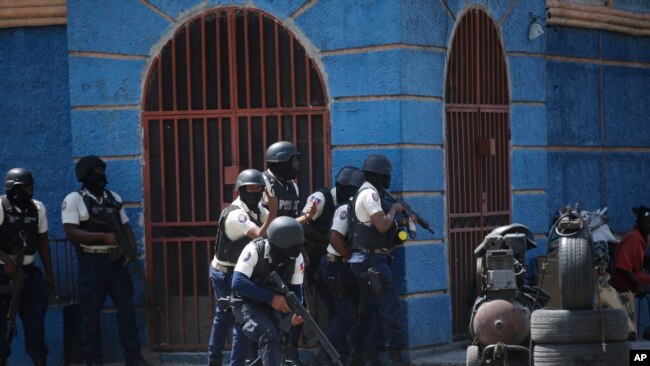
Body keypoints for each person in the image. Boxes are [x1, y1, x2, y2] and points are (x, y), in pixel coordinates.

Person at [61, 155, 147, 366]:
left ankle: (133, 358)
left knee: (127, 311)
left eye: (102, 170)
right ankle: (93, 360)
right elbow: (71, 232)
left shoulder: (113, 197)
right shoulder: (74, 199)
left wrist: (131, 250)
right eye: (96, 171)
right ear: (84, 175)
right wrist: (102, 237)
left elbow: (125, 226)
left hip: (116, 262)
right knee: (89, 316)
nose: (101, 175)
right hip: (92, 262)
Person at [208, 169, 278, 366]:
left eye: (258, 188)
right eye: (250, 188)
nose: (255, 191)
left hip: (240, 273)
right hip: (224, 273)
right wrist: (273, 210)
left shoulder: (258, 210)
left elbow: (274, 229)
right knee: (227, 317)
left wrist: (304, 219)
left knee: (240, 319)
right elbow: (259, 234)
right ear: (241, 190)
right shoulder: (235, 215)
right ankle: (214, 361)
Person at [348, 154, 406, 366]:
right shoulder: (370, 195)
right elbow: (382, 225)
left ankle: (369, 357)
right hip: (372, 262)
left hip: (365, 259)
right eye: (387, 175)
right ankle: (395, 358)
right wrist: (394, 209)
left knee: (373, 310)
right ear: (381, 175)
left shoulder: (362, 193)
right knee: (390, 309)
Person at [263, 141, 315, 365]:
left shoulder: (292, 186)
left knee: (296, 305)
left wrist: (302, 249)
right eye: (294, 160)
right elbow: (269, 224)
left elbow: (293, 228)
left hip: (291, 257)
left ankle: (291, 353)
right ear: (282, 162)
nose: (297, 165)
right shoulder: (264, 183)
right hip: (268, 257)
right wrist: (304, 218)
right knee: (268, 309)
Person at [230, 217, 306, 366]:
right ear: (281, 244)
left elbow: (297, 291)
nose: (296, 251)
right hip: (245, 302)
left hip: (270, 305)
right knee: (269, 336)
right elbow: (237, 282)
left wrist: (297, 310)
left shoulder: (296, 258)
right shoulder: (254, 250)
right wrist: (271, 298)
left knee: (278, 340)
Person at [311, 166, 365, 366]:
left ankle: (339, 355)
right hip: (334, 268)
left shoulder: (352, 205)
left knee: (342, 314)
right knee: (345, 313)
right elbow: (334, 237)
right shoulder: (336, 204)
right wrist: (352, 257)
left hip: (339, 268)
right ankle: (325, 356)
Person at [0, 168, 52, 366]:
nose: (30, 190)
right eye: (26, 187)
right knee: (2, 326)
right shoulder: (0, 206)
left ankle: (39, 359)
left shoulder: (37, 208)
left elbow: (43, 242)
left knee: (35, 323)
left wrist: (49, 275)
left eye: (31, 186)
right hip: (3, 273)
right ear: (14, 187)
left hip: (29, 271)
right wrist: (7, 261)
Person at [611, 205, 650, 338]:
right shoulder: (633, 237)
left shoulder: (644, 237)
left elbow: (638, 259)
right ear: (638, 222)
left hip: (634, 274)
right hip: (623, 278)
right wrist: (638, 285)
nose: (648, 225)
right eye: (646, 222)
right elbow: (622, 267)